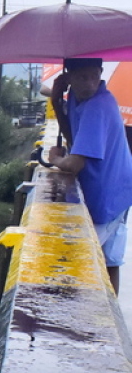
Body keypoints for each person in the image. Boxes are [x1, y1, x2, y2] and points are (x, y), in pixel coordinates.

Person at [48, 57, 132, 294]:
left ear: (101, 73)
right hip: (118, 188)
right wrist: (56, 100)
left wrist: (55, 160)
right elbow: (75, 138)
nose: (89, 83)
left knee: (81, 259)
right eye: (81, 77)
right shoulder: (77, 97)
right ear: (68, 78)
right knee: (108, 260)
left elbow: (74, 163)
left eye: (94, 76)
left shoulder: (98, 105)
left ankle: (104, 317)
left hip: (110, 194)